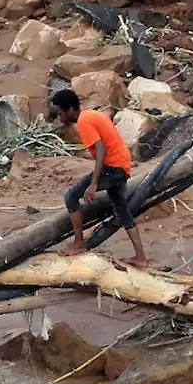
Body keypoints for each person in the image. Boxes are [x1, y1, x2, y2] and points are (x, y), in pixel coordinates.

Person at [51, 89, 148, 267]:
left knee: (71, 196)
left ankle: (79, 243)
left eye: (60, 113)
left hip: (113, 167)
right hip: (121, 164)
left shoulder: (83, 122)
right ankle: (141, 258)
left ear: (70, 110)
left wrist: (94, 183)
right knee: (122, 211)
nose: (59, 117)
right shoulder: (90, 115)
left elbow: (101, 149)